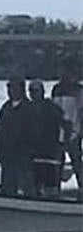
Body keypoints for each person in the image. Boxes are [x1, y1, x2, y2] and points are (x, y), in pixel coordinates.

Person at [0, 77, 35, 197]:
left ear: (21, 89)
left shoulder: (29, 108)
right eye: (9, 88)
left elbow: (33, 132)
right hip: (6, 153)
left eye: (13, 87)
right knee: (7, 184)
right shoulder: (6, 107)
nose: (10, 91)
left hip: (22, 155)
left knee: (24, 185)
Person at [51, 59, 83, 199]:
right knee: (57, 161)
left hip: (74, 132)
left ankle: (82, 186)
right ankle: (55, 187)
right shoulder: (56, 88)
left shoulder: (78, 90)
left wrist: (79, 131)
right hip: (57, 132)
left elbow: (81, 111)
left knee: (76, 160)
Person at [27, 79, 64, 198]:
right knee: (34, 184)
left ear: (42, 91)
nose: (33, 93)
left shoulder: (52, 108)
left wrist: (62, 145)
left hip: (50, 153)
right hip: (33, 153)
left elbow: (65, 125)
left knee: (51, 185)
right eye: (31, 91)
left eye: (36, 91)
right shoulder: (27, 108)